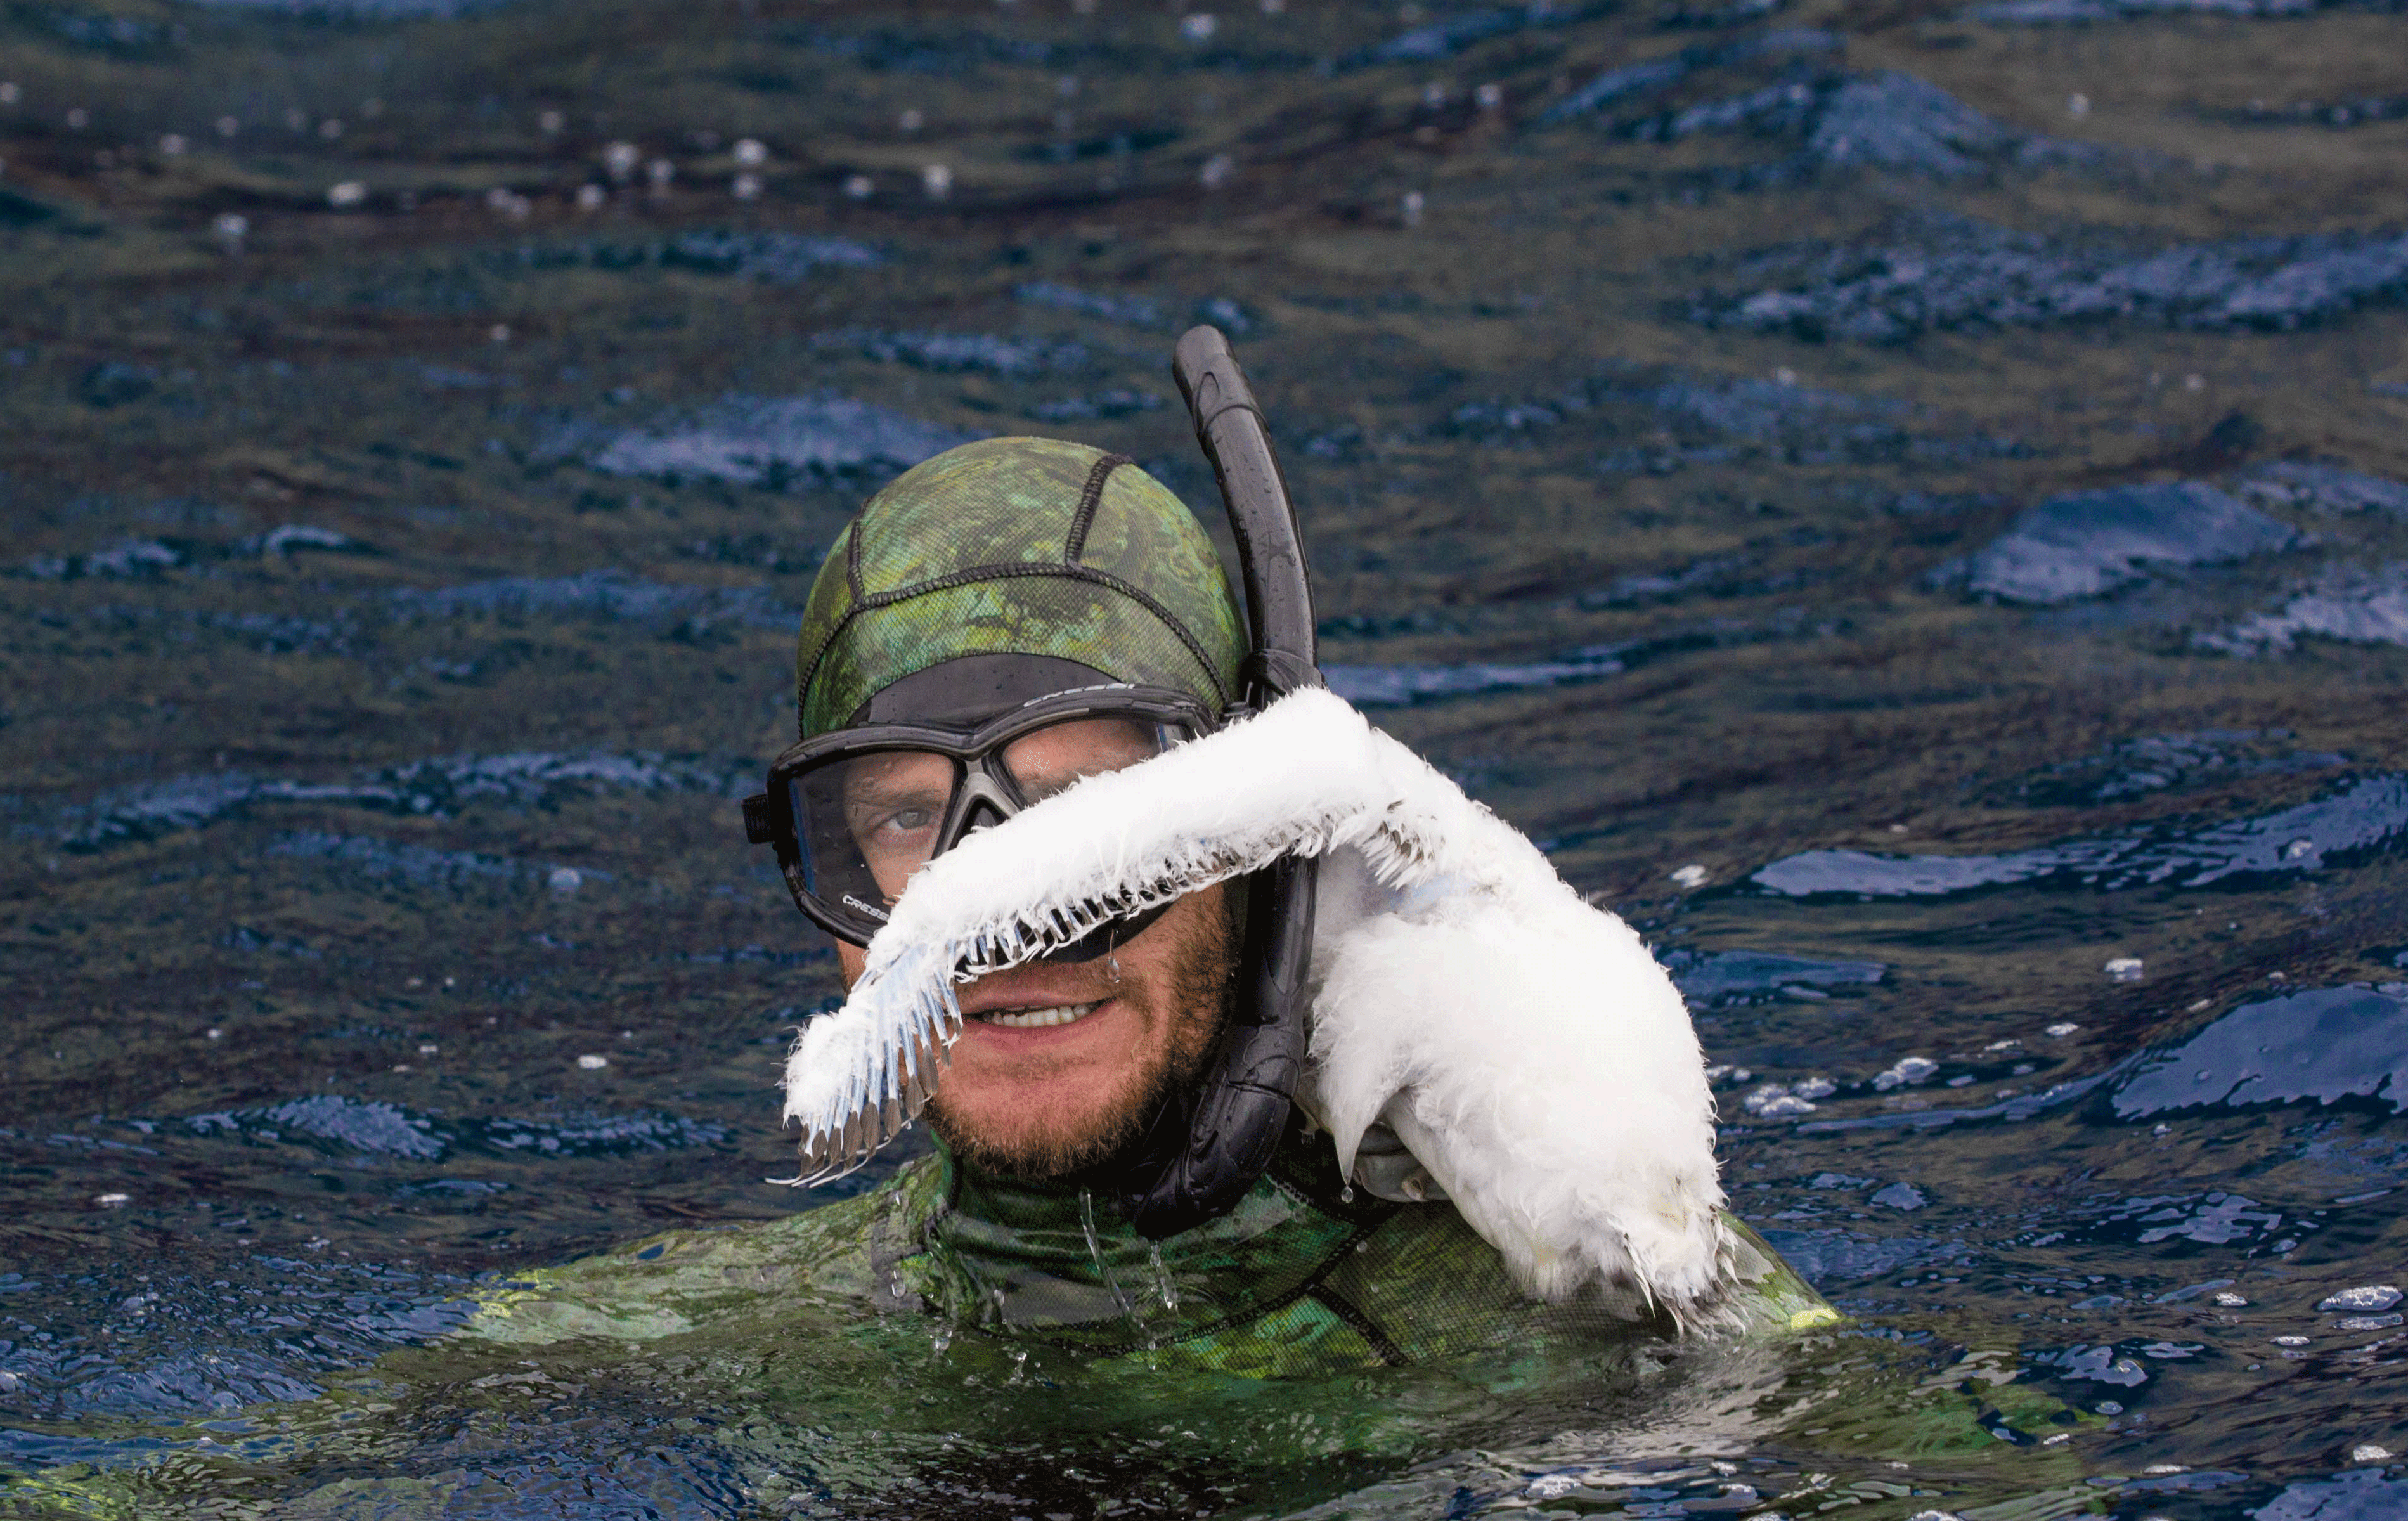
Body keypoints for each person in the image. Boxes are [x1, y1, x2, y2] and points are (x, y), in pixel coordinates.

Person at [519, 429, 1837, 1380]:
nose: (1001, 916)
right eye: (908, 819)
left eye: (1094, 813)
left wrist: (1676, 1314)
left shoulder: (1585, 1331)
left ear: (1252, 845)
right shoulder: (681, 1345)